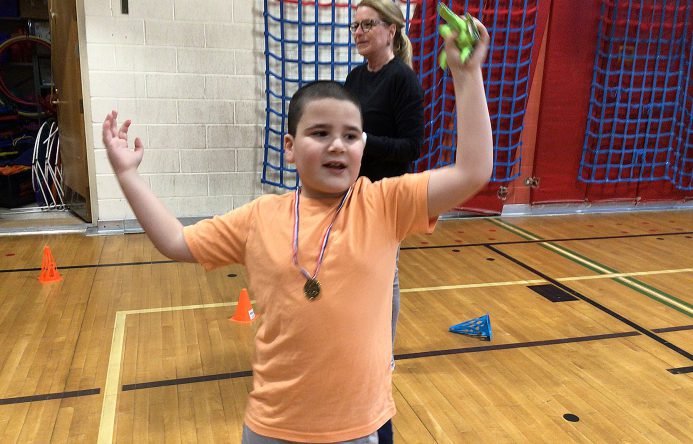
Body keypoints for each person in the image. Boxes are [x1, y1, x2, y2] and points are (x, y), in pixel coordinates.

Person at [102, 19, 492, 444]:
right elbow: (176, 241)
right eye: (320, 133)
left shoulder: (385, 204)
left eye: (351, 135)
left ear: (364, 145)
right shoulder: (259, 217)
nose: (337, 145)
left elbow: (472, 172)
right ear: (289, 147)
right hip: (274, 427)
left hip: (362, 427)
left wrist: (466, 74)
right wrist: (128, 176)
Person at [344, 2, 424, 439]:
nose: (359, 32)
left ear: (391, 30)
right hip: (350, 192)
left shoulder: (403, 80)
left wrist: (366, 139)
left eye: (367, 24)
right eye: (355, 24)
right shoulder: (355, 78)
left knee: (384, 272)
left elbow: (411, 147)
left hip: (385, 197)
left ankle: (382, 354)